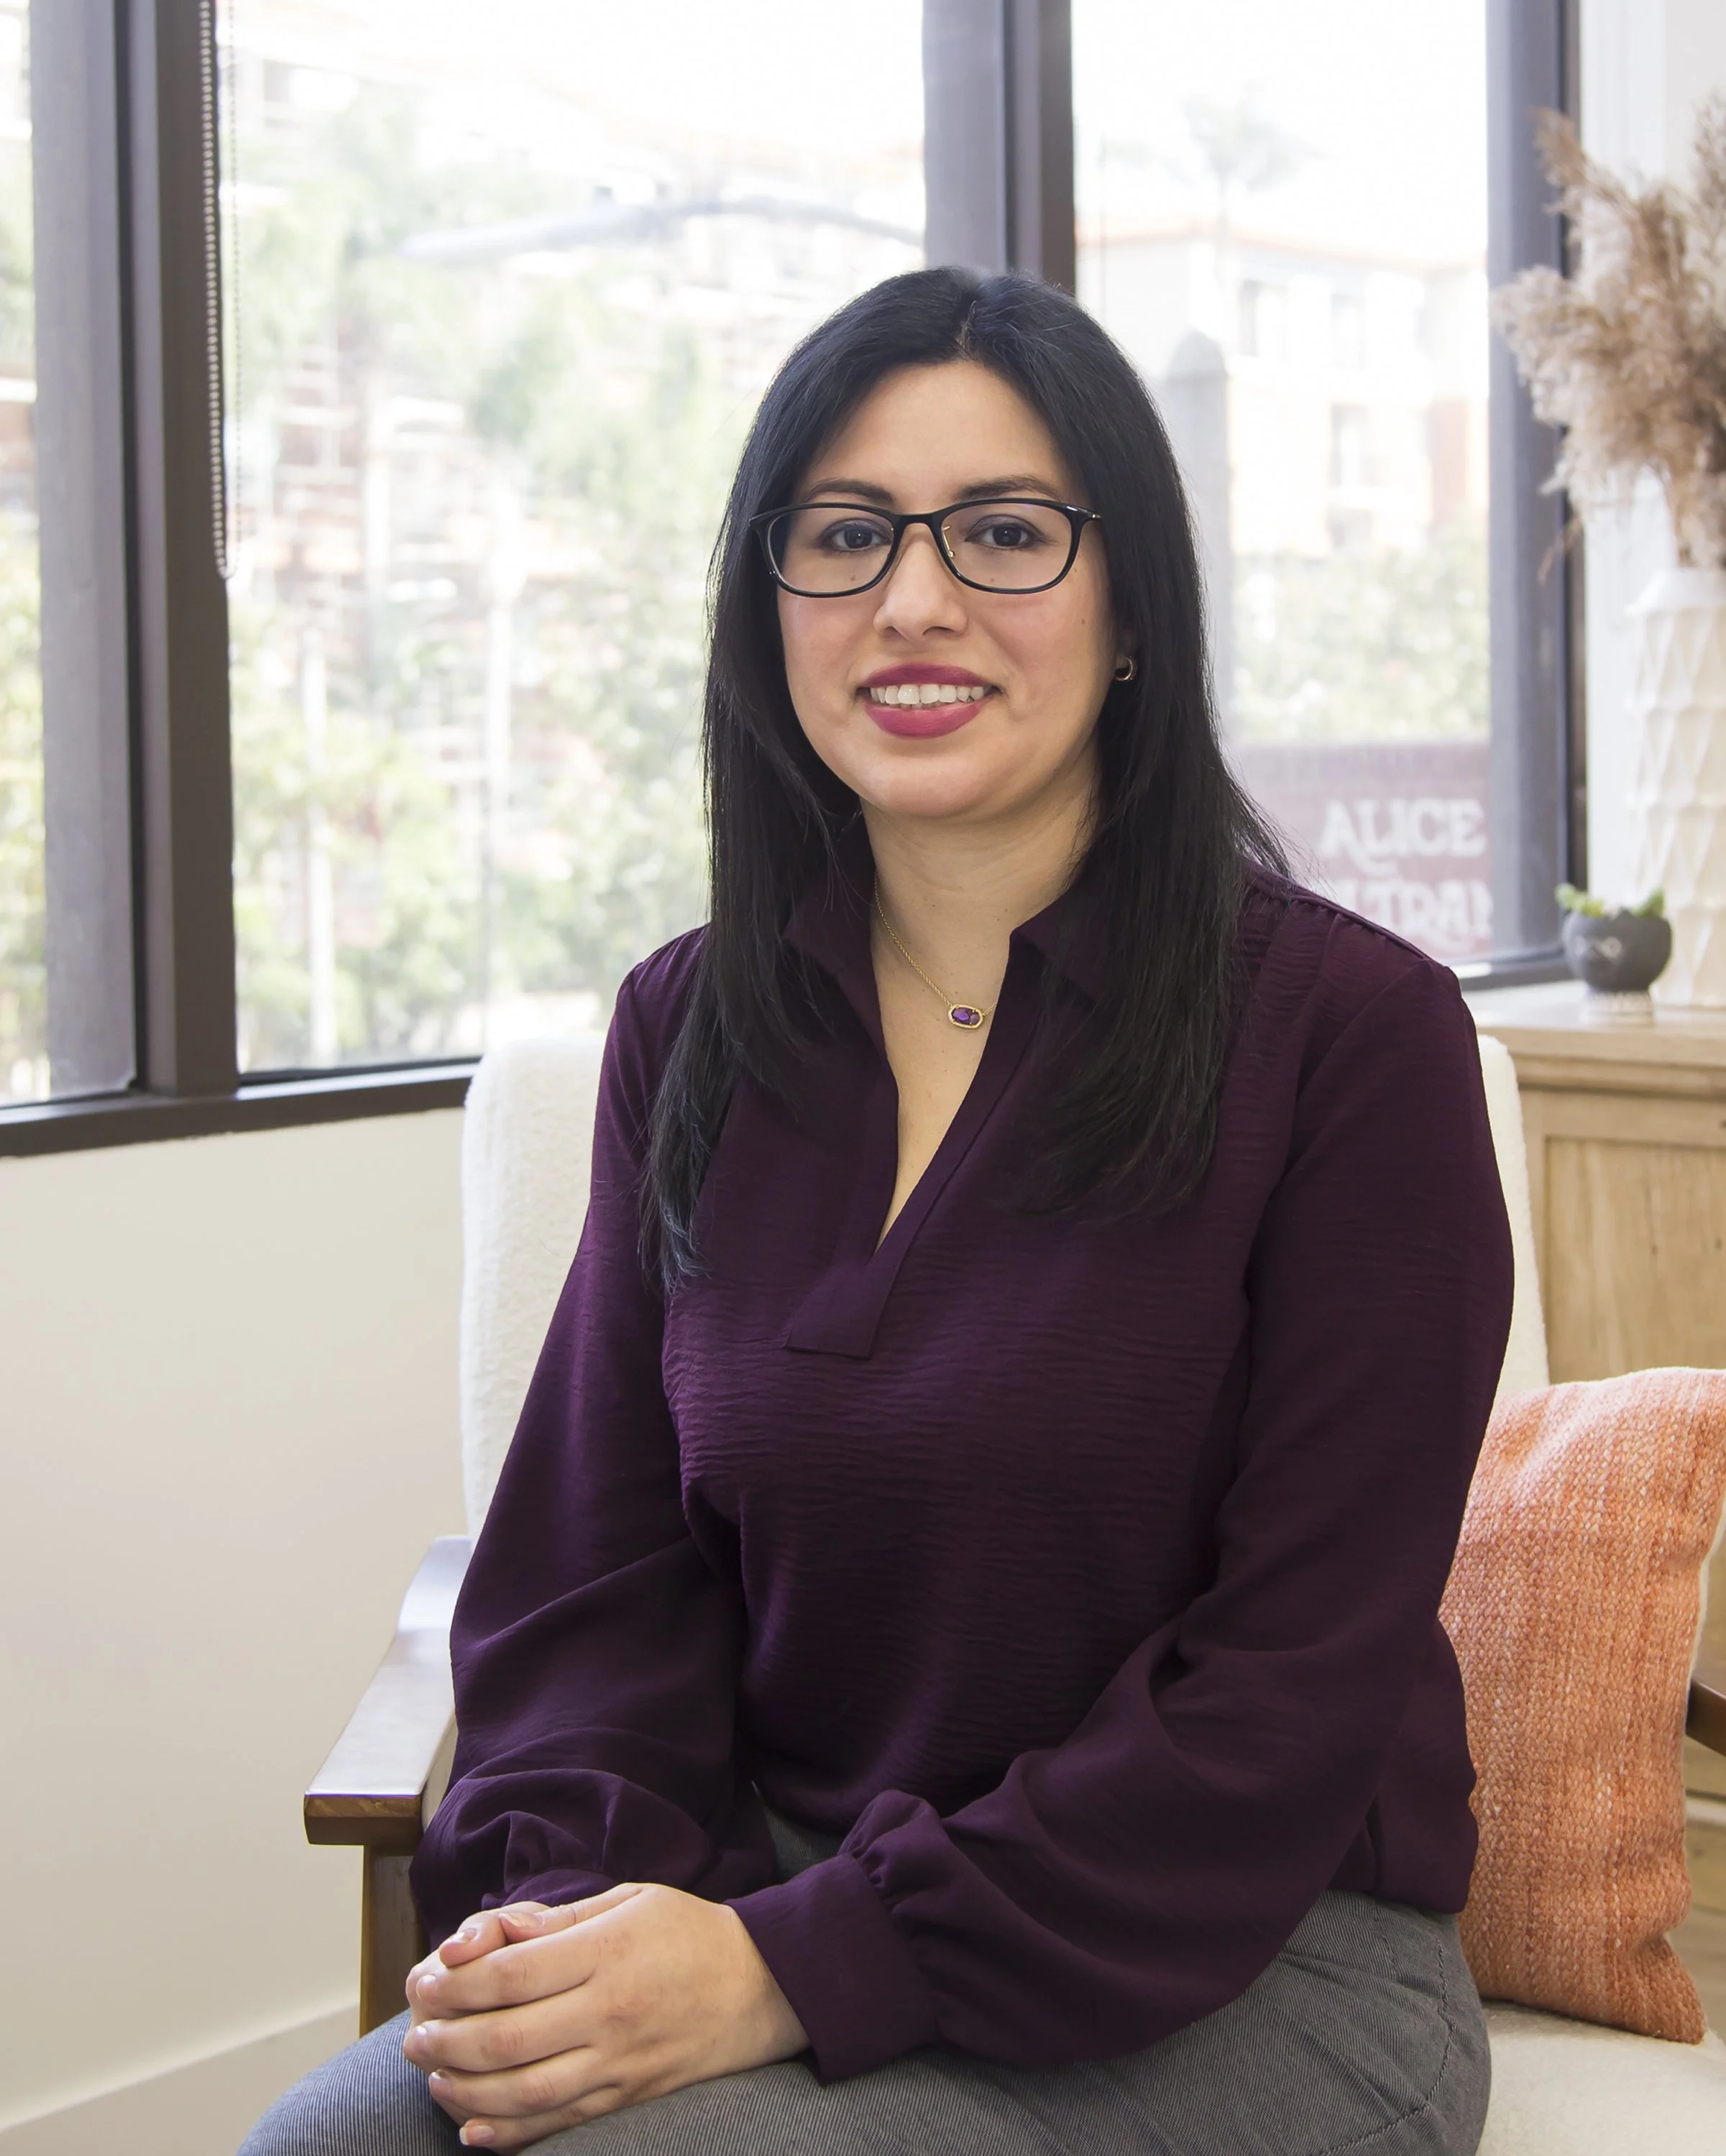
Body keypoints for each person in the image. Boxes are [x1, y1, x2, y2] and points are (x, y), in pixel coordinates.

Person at [244, 266, 1511, 2156]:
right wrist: (575, 1925)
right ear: (772, 612)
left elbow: (1285, 1697)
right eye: (845, 536)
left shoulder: (1355, 1041)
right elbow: (593, 1595)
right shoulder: (691, 1027)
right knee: (341, 2140)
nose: (917, 600)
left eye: (1004, 532)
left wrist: (778, 1975)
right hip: (788, 1889)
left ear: (1136, 603)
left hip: (1250, 1962)